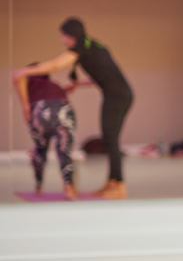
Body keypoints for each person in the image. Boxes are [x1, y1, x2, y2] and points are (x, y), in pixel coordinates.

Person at [12, 18, 134, 199]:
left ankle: (119, 186)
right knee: (109, 139)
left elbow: (56, 65)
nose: (63, 40)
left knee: (111, 140)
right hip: (118, 95)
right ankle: (112, 183)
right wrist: (79, 85)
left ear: (71, 35)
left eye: (64, 36)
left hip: (117, 97)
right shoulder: (93, 45)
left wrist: (25, 71)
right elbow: (106, 74)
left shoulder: (80, 48)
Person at [13, 65, 78, 200]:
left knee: (40, 150)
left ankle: (38, 187)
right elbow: (55, 97)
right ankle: (69, 188)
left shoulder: (30, 80)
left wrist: (25, 105)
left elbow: (18, 77)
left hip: (41, 110)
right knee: (64, 151)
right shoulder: (54, 84)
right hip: (64, 109)